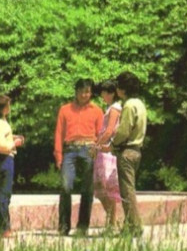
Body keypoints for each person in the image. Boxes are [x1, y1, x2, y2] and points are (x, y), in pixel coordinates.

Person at [53, 78, 103, 236]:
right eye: (81, 91)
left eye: (87, 91)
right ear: (76, 91)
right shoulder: (65, 109)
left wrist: (99, 153)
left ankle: (82, 227)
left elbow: (100, 134)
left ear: (91, 93)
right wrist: (58, 156)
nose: (84, 94)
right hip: (70, 150)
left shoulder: (97, 110)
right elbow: (59, 133)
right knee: (66, 186)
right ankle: (64, 226)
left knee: (87, 190)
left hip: (89, 149)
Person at [110, 70, 147, 237]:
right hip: (137, 150)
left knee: (127, 191)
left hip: (127, 151)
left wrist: (113, 143)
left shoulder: (129, 105)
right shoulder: (140, 103)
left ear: (122, 89)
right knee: (129, 188)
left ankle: (135, 227)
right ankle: (128, 226)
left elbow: (124, 131)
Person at [0, 94, 24, 238]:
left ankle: (3, 227)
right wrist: (14, 143)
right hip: (4, 158)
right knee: (4, 194)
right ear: (3, 108)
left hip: (5, 158)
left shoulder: (2, 122)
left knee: (5, 194)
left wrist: (13, 137)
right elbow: (1, 143)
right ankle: (2, 228)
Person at [92, 80, 122, 230]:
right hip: (103, 150)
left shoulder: (115, 108)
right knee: (101, 187)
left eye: (104, 93)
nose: (102, 96)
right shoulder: (109, 108)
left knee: (107, 187)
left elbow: (110, 130)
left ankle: (112, 221)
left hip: (107, 151)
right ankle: (111, 220)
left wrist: (97, 144)